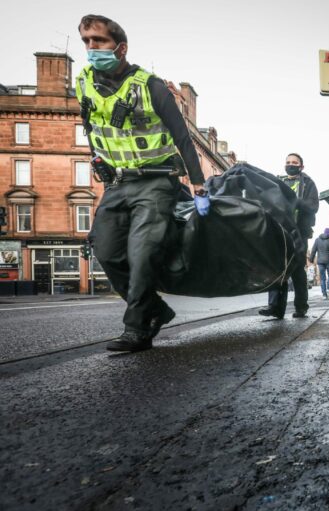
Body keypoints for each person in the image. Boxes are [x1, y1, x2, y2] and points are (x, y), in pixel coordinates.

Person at [76, 14, 209, 352]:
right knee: (105, 250)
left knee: (142, 252)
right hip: (117, 184)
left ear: (120, 48)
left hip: (156, 181)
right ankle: (156, 310)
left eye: (99, 41)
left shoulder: (149, 86)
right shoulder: (84, 83)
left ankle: (136, 329)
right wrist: (96, 158)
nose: (92, 48)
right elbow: (90, 126)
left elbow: (182, 136)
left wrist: (198, 183)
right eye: (87, 42)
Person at [259, 153, 319, 318]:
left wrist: (296, 202)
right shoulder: (278, 182)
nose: (290, 165)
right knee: (277, 267)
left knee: (297, 269)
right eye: (288, 162)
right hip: (279, 231)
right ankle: (275, 308)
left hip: (299, 232)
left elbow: (314, 206)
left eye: (294, 162)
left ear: (301, 166)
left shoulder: (308, 183)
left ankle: (301, 307)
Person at [309, 228, 329, 299]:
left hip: (320, 261)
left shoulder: (317, 240)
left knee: (322, 278)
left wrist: (311, 259)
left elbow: (313, 251)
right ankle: (328, 289)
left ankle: (324, 295)